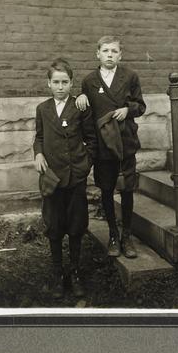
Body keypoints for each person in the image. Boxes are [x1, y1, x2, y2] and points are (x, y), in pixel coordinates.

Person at [76, 36, 146, 258]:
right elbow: (87, 112)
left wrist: (128, 110)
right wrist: (80, 97)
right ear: (97, 54)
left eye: (114, 51)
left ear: (120, 55)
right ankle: (113, 234)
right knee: (106, 189)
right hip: (103, 145)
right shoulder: (89, 81)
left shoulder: (130, 77)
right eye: (105, 50)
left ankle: (127, 236)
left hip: (125, 143)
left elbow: (140, 106)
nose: (109, 54)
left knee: (126, 189)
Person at [33, 58, 97, 299]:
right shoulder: (42, 109)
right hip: (52, 178)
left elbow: (92, 140)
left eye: (65, 82)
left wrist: (84, 165)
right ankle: (58, 273)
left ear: (72, 83)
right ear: (48, 84)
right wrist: (38, 152)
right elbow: (39, 136)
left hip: (75, 177)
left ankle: (76, 272)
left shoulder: (79, 107)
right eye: (56, 82)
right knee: (54, 226)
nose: (60, 86)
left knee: (76, 226)